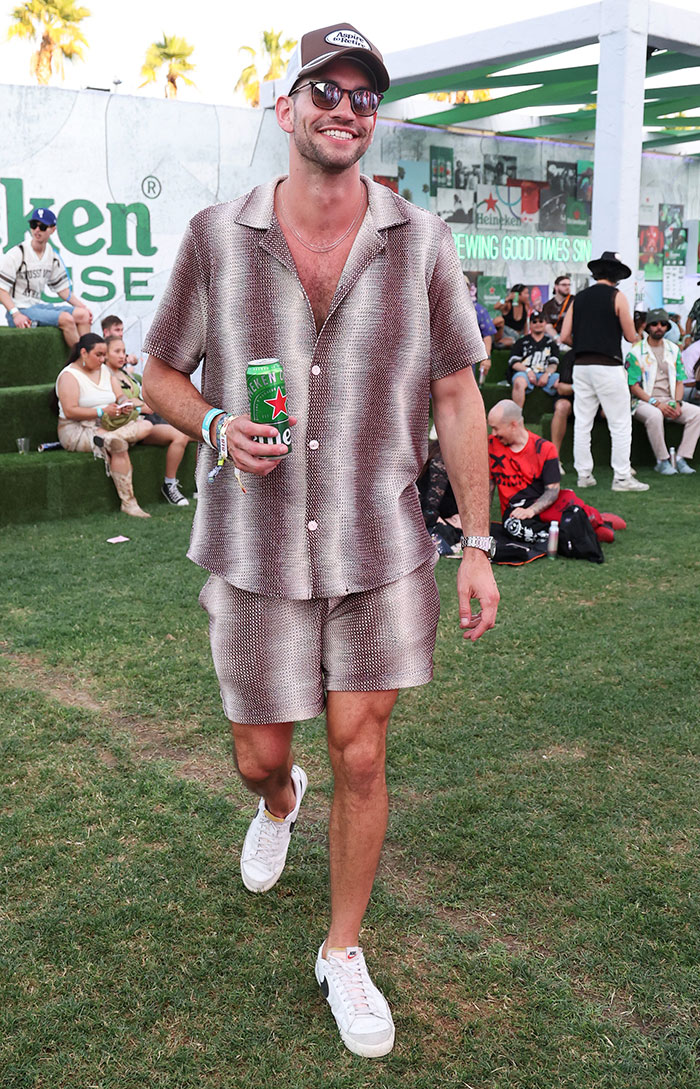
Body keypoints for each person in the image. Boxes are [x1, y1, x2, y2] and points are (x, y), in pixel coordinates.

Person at [140, 20, 499, 1060]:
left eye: (361, 96)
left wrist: (476, 539)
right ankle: (276, 801)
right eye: (325, 92)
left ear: (371, 117)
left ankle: (341, 949)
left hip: (379, 544)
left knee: (363, 747)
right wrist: (211, 422)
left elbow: (455, 391)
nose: (344, 110)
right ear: (285, 107)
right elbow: (158, 370)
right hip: (253, 547)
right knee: (262, 752)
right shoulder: (216, 236)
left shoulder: (422, 241)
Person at [559, 250, 649, 492]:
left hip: (581, 366)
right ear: (617, 275)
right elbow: (631, 336)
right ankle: (621, 477)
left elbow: (564, 336)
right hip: (608, 366)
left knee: (583, 422)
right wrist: (639, 333)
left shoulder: (578, 298)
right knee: (620, 423)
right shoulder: (617, 296)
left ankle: (584, 475)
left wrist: (582, 345)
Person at [487, 400, 625, 544]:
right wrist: (483, 522)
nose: (493, 433)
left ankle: (593, 520)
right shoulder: (491, 446)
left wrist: (531, 511)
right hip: (516, 515)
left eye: (496, 428)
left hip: (543, 508)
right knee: (514, 528)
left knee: (569, 508)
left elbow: (552, 491)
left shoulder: (545, 449)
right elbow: (488, 487)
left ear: (513, 425)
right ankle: (579, 529)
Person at [55, 333, 151, 517]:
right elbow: (70, 411)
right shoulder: (69, 375)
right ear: (84, 353)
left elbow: (120, 396)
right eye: (98, 355)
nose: (102, 359)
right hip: (77, 428)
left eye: (104, 355)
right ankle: (129, 503)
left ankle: (108, 437)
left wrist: (124, 405)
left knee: (147, 426)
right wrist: (101, 411)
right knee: (118, 445)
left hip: (109, 424)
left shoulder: (105, 370)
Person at [104, 336, 193, 505]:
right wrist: (141, 405)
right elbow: (120, 401)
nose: (122, 355)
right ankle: (169, 485)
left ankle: (200, 483)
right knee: (181, 435)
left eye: (123, 351)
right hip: (128, 425)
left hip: (145, 420)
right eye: (117, 351)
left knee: (195, 432)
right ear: (105, 354)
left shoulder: (125, 374)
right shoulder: (104, 376)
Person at [0, 208, 93, 346]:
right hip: (20, 310)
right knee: (66, 319)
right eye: (34, 225)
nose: (37, 230)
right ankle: (81, 362)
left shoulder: (52, 255)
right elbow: (1, 290)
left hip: (36, 307)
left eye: (42, 227)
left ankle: (89, 358)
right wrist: (15, 314)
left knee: (83, 315)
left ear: (52, 229)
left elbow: (63, 291)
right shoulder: (18, 253)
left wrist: (83, 307)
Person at [626, 309, 699, 475]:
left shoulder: (674, 349)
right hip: (643, 401)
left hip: (670, 398)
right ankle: (662, 460)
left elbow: (680, 380)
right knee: (655, 414)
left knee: (697, 414)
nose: (659, 327)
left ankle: (681, 458)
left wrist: (678, 402)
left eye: (663, 324)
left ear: (667, 327)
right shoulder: (635, 351)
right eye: (654, 324)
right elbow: (634, 386)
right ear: (648, 327)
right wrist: (656, 403)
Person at [508, 310, 559, 409]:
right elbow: (514, 362)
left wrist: (547, 374)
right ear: (530, 324)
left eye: (541, 321)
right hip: (525, 373)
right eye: (534, 322)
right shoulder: (521, 342)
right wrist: (528, 370)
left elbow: (554, 364)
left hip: (546, 374)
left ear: (545, 323)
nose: (538, 324)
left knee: (561, 383)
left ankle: (556, 413)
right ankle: (517, 416)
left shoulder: (551, 343)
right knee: (519, 382)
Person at [464, 272, 496, 379]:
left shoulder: (478, 310)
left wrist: (486, 358)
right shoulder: (438, 309)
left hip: (466, 361)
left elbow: (486, 335)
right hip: (439, 361)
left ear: (469, 289)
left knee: (465, 393)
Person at [551, 349, 575, 473]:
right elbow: (561, 389)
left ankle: (623, 463)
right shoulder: (570, 356)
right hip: (573, 399)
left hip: (597, 400)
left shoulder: (605, 356)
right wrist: (581, 386)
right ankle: (555, 459)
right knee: (561, 406)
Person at [542, 274, 573, 341]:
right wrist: (556, 337)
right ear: (556, 287)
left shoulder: (575, 301)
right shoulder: (547, 305)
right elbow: (547, 325)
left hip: (571, 336)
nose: (567, 287)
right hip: (554, 337)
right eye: (564, 285)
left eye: (569, 285)